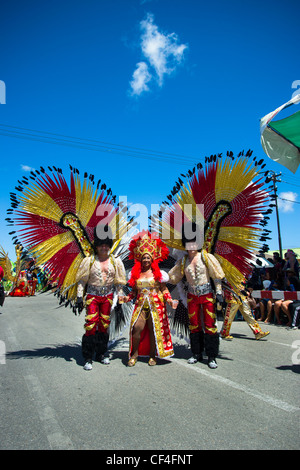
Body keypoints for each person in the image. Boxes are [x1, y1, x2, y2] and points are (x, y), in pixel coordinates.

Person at [168, 222, 224, 369]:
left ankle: (211, 356)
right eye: (188, 242)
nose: (191, 245)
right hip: (192, 296)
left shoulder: (206, 257)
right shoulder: (183, 261)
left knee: (210, 325)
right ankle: (196, 353)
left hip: (207, 296)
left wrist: (218, 292)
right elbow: (171, 277)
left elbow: (216, 276)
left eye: (194, 242)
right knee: (194, 326)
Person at [75, 226, 126, 370]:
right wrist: (80, 297)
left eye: (106, 244)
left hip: (108, 297)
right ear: (96, 246)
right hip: (92, 296)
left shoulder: (116, 261)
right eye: (101, 245)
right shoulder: (89, 261)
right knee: (91, 325)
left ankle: (101, 354)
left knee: (104, 325)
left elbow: (119, 282)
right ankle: (88, 357)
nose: (104, 247)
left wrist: (120, 300)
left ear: (109, 245)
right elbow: (82, 281)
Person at [123, 231, 175, 367]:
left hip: (156, 305)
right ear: (140, 259)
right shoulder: (136, 274)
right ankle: (134, 355)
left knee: (153, 330)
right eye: (144, 258)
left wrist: (169, 300)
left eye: (148, 258)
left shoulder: (158, 274)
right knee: (136, 329)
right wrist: (126, 298)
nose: (146, 260)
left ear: (152, 259)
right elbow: (134, 292)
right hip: (140, 305)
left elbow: (163, 289)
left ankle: (152, 355)